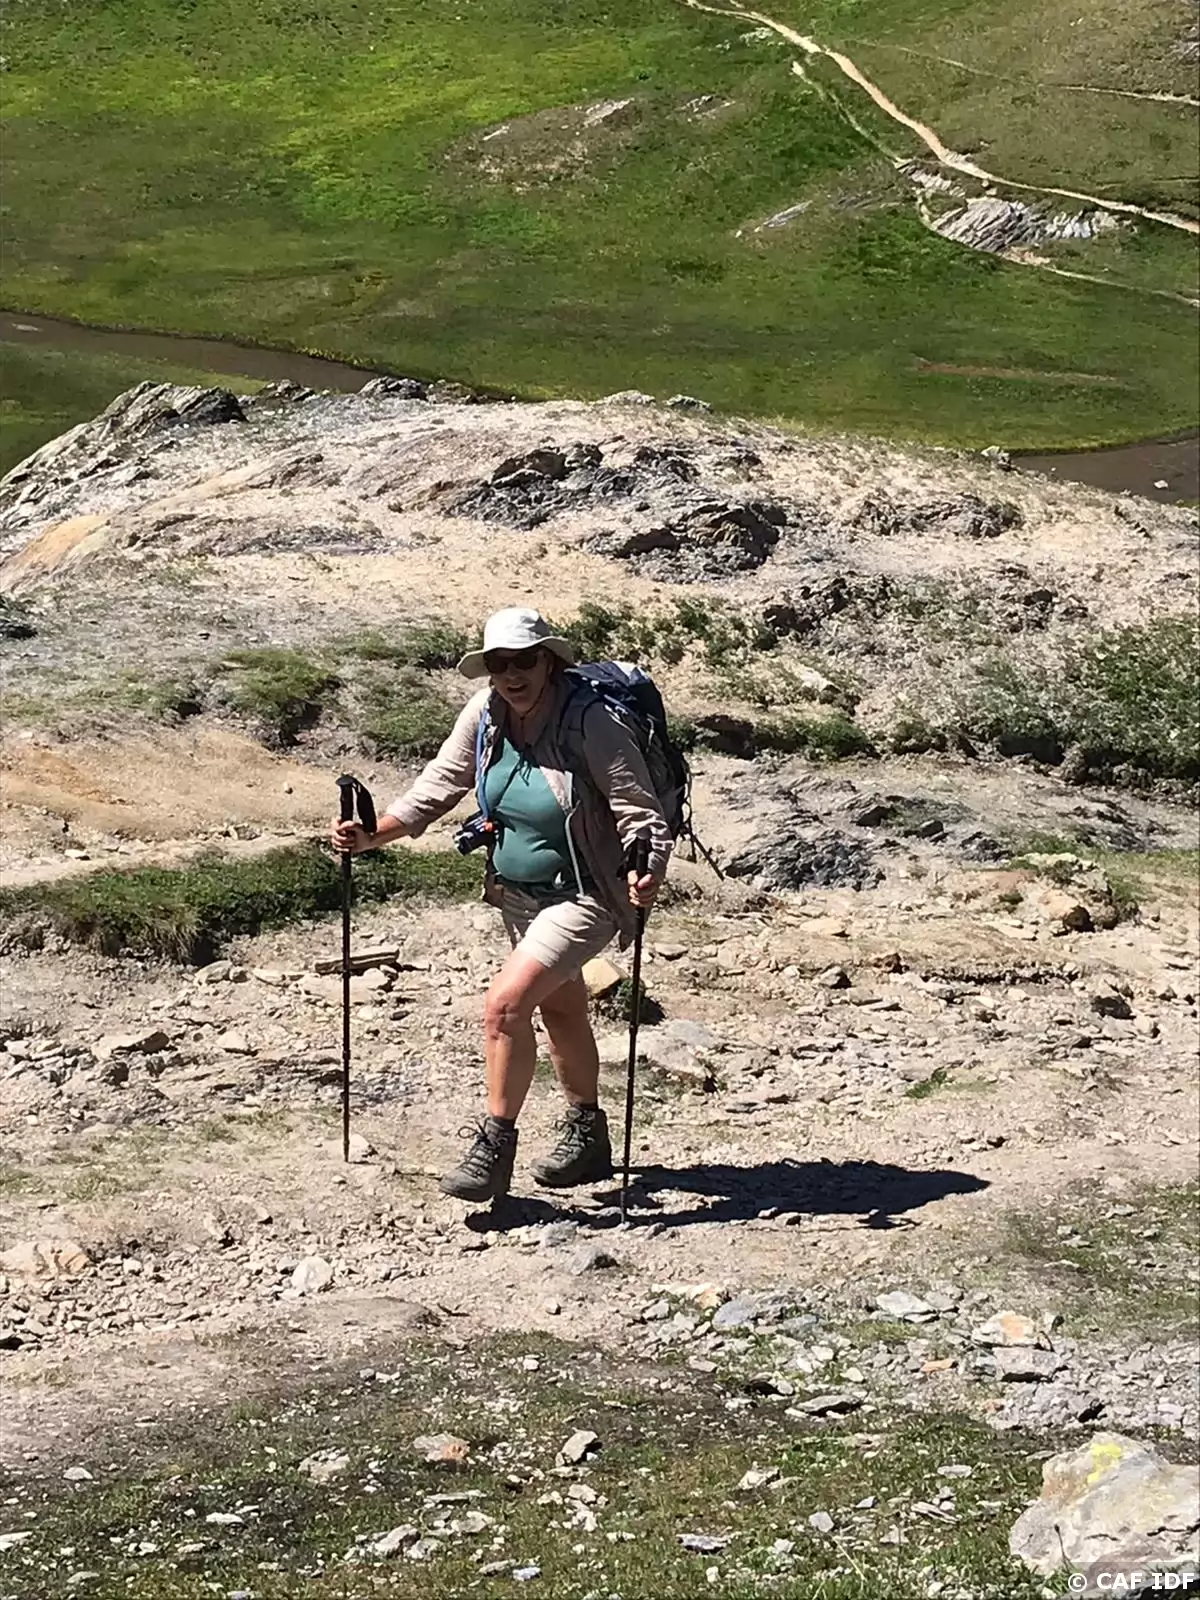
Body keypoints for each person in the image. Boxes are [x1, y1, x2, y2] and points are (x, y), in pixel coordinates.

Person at [330, 607, 672, 1203]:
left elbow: (640, 811)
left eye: (523, 662)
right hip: (517, 893)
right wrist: (374, 833)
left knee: (505, 1006)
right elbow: (442, 782)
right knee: (561, 1010)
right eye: (498, 664)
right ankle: (588, 1135)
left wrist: (649, 872)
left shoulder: (591, 721)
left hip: (588, 892)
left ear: (549, 661)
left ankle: (495, 1146)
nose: (512, 675)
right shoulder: (486, 713)